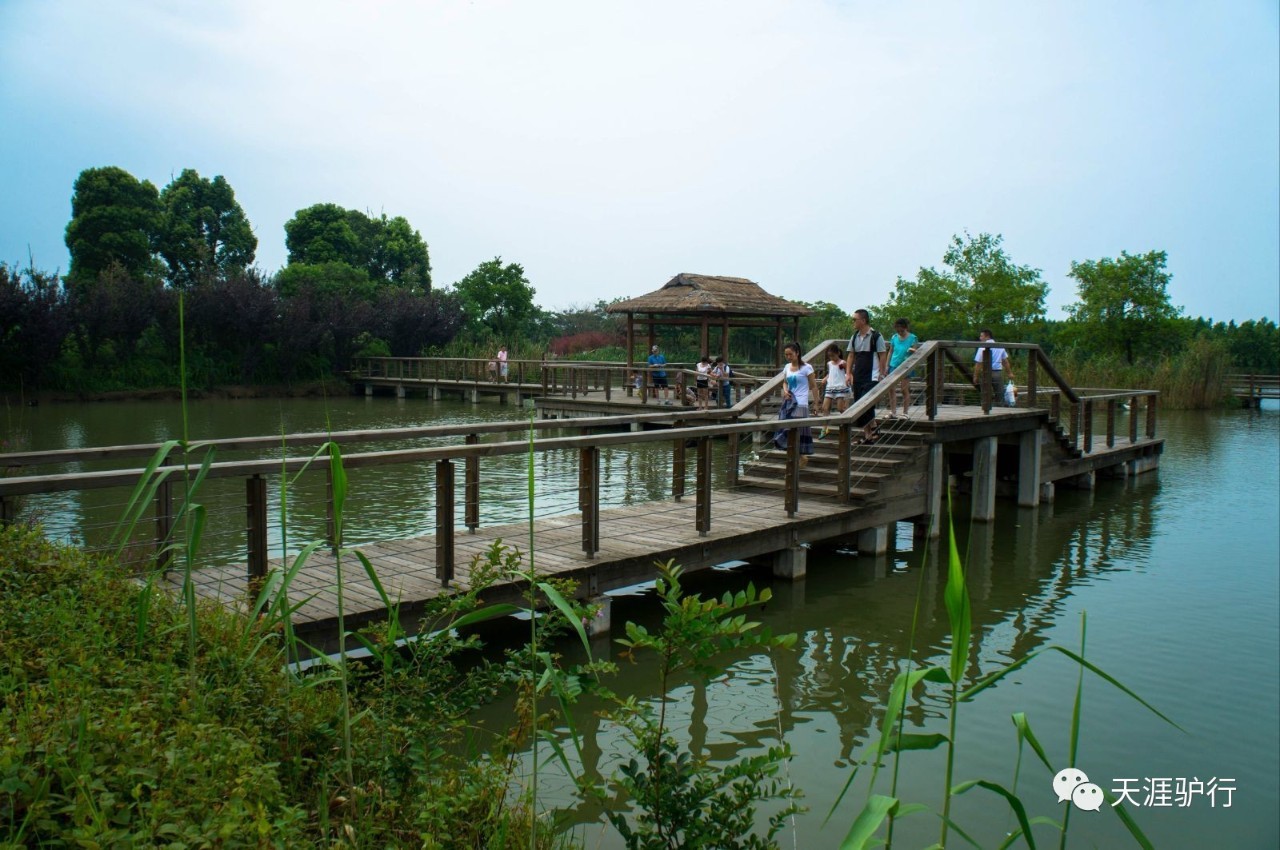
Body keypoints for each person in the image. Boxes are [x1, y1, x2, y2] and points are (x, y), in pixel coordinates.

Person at [848, 309, 888, 443]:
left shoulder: (876, 336)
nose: (853, 322)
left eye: (855, 319)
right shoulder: (854, 337)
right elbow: (851, 355)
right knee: (859, 404)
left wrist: (882, 373)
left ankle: (874, 429)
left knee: (867, 403)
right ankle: (868, 435)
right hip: (858, 376)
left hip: (872, 375)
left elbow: (882, 354)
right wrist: (848, 373)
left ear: (863, 320)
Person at [776, 341, 818, 463]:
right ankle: (795, 457)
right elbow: (784, 382)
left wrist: (816, 403)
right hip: (789, 402)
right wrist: (785, 390)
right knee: (787, 429)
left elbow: (814, 386)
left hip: (801, 403)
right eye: (786, 355)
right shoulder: (786, 367)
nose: (788, 357)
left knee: (796, 430)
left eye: (790, 354)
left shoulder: (807, 368)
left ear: (797, 353)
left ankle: (800, 457)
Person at [973, 329, 1016, 408]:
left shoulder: (982, 347)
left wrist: (975, 376)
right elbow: (1005, 362)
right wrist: (1009, 373)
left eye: (981, 336)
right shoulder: (1000, 346)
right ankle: (1000, 409)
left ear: (987, 336)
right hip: (997, 373)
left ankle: (986, 409)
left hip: (986, 372)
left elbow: (978, 363)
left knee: (985, 393)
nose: (980, 338)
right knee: (999, 393)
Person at [886, 318, 919, 419]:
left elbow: (916, 351)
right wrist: (887, 365)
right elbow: (891, 351)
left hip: (906, 366)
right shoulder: (894, 337)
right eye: (898, 330)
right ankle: (893, 412)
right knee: (891, 389)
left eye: (901, 330)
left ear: (905, 328)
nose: (899, 332)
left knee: (904, 389)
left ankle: (905, 412)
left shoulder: (913, 337)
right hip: (894, 364)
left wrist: (913, 350)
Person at [816, 343, 851, 439]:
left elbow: (848, 373)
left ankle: (846, 421)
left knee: (840, 408)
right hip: (830, 386)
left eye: (833, 355)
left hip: (840, 386)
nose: (831, 358)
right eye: (830, 356)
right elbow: (831, 372)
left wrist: (850, 380)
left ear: (838, 353)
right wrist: (825, 378)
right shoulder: (829, 364)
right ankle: (824, 428)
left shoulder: (843, 363)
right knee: (825, 408)